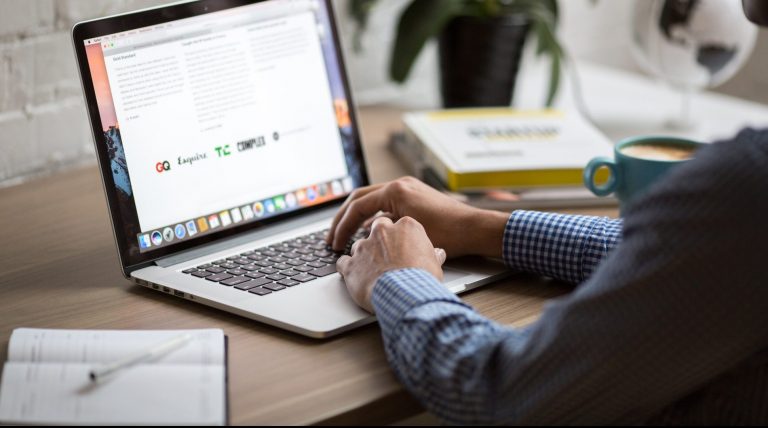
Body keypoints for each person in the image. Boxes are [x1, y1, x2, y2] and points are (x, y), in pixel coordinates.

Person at [327, 126, 768, 424]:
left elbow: (504, 394)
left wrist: (399, 278)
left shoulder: (747, 181)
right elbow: (688, 256)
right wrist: (480, 227)